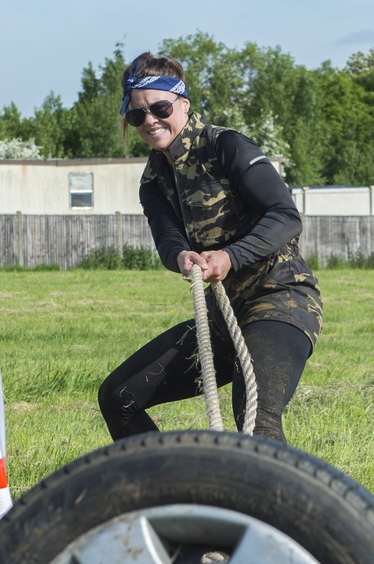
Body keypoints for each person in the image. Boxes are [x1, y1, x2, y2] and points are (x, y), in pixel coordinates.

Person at [97, 52, 322, 444]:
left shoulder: (226, 146)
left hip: (281, 302)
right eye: (137, 115)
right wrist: (181, 257)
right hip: (222, 316)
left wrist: (229, 256)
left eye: (159, 107)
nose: (149, 120)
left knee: (254, 417)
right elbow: (168, 241)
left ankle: (279, 505)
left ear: (182, 103)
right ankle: (165, 493)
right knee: (119, 397)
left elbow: (286, 215)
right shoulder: (153, 180)